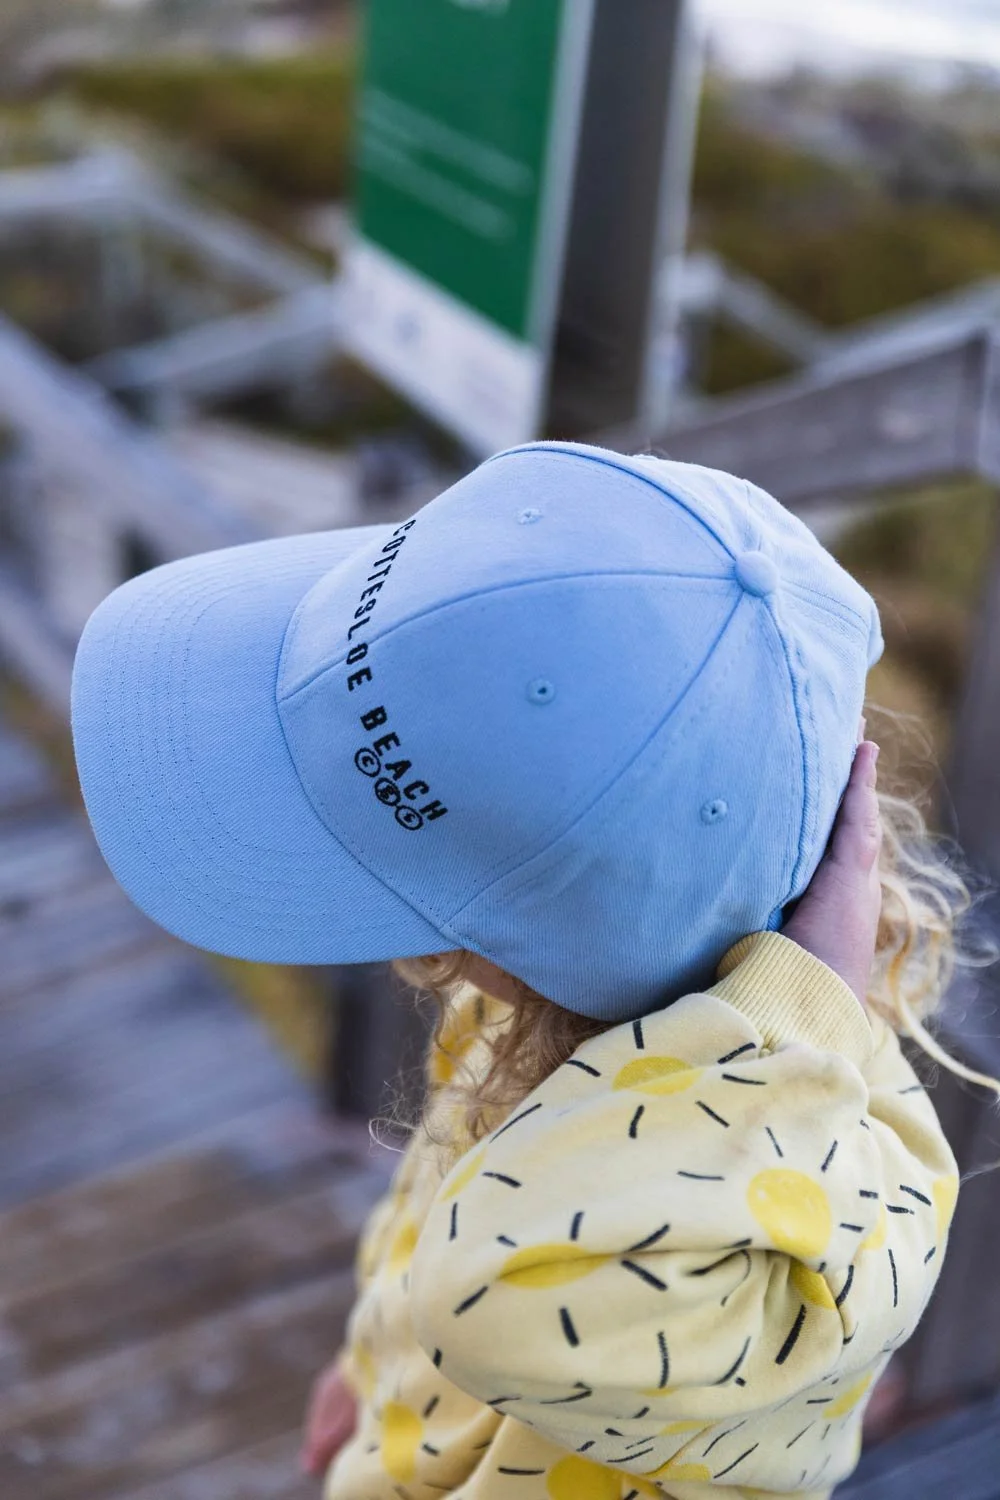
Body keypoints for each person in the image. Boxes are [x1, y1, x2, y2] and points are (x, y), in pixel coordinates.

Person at [69, 443, 991, 1500]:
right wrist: (373, 1371)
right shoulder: (541, 1000)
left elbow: (492, 1294)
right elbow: (440, 1220)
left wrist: (781, 1035)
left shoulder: (800, 1222)